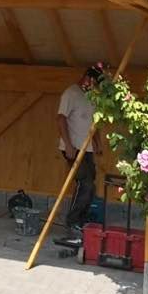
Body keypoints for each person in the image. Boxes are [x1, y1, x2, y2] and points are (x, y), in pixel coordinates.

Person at [56, 64, 104, 230]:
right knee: (85, 183)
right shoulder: (71, 93)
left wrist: (98, 143)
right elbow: (61, 119)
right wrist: (68, 145)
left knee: (91, 186)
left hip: (88, 148)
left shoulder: (92, 96)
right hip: (73, 147)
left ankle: (81, 219)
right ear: (88, 79)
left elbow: (94, 122)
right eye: (95, 83)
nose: (96, 86)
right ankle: (73, 220)